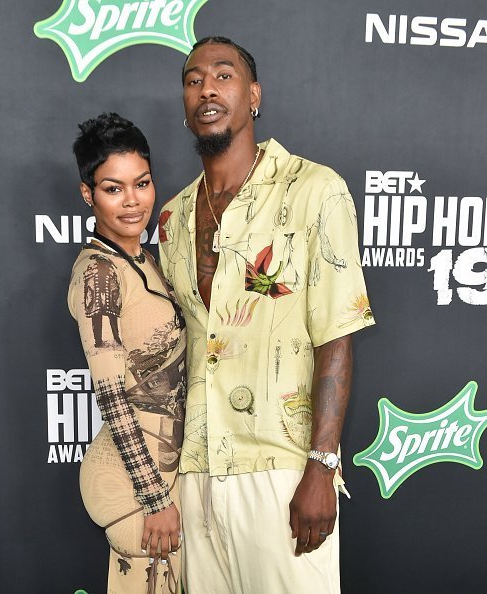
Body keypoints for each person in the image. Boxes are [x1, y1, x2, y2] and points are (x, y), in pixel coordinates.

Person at [158, 37, 375, 593]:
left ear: (253, 95)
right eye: (192, 79)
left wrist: (322, 466)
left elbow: (337, 335)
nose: (206, 87)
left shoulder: (315, 191)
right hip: (198, 474)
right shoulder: (173, 217)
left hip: (283, 471)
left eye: (223, 75)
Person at [69, 112, 186, 594]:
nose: (132, 200)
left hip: (164, 472)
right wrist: (155, 498)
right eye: (113, 188)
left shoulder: (142, 258)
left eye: (142, 183)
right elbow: (113, 398)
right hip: (134, 485)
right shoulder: (99, 275)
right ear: (87, 194)